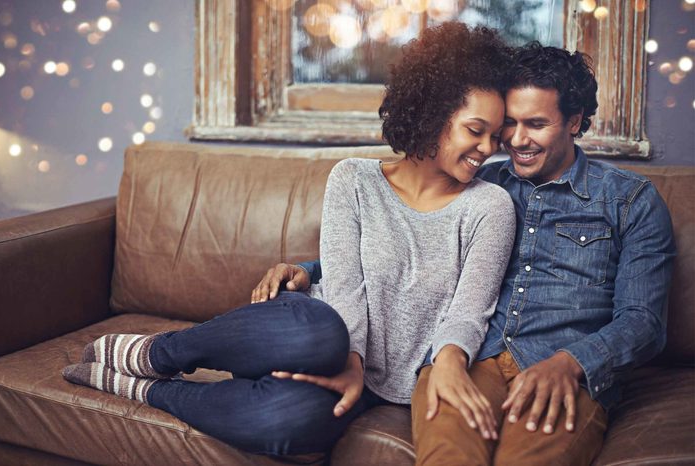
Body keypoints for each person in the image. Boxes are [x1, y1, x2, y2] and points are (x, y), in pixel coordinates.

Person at [61, 22, 517, 456]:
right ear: (433, 113)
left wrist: (441, 362)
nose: (487, 148)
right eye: (475, 131)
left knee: (289, 423)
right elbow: (345, 289)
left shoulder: (490, 206)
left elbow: (468, 312)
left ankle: (150, 389)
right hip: (315, 339)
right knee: (322, 332)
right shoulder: (354, 180)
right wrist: (352, 361)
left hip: (386, 383)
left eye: (496, 136)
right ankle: (156, 353)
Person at [260, 43, 676, 465]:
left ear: (574, 121)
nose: (515, 140)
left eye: (535, 124)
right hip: (467, 357)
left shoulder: (630, 201)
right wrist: (310, 270)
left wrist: (572, 363)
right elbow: (405, 248)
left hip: (561, 370)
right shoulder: (479, 185)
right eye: (508, 124)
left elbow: (644, 322)